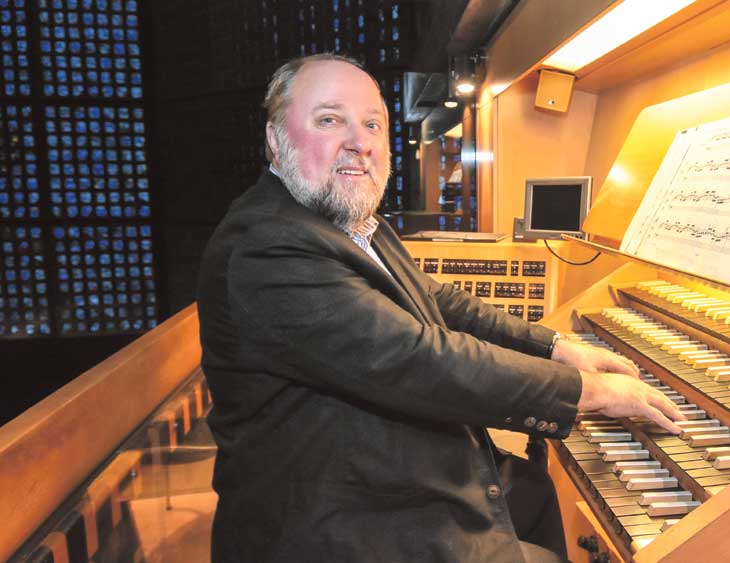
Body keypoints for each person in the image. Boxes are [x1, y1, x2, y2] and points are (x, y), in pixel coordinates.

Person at [196, 53, 685, 563]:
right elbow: (419, 359)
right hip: (337, 519)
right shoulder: (266, 248)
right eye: (329, 119)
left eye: (371, 124)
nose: (358, 141)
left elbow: (437, 302)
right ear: (276, 139)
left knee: (535, 491)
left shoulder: (350, 222)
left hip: (375, 471)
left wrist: (556, 346)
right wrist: (592, 392)